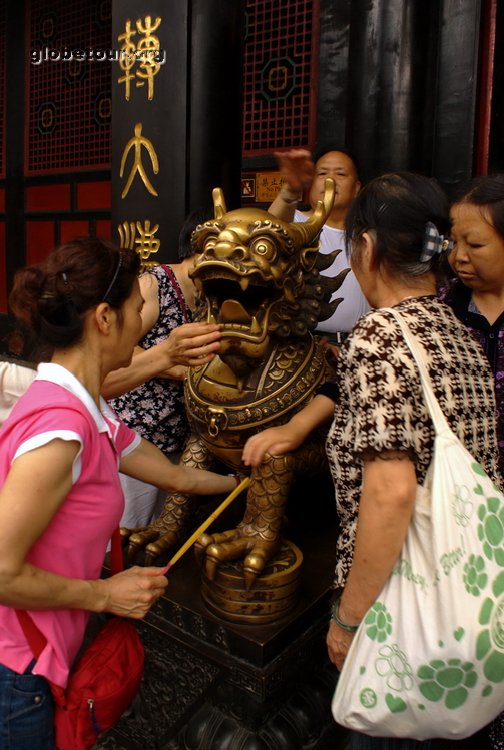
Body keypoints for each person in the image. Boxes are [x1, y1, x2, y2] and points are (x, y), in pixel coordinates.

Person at [243, 172, 501, 749]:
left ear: (364, 246)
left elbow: (391, 494)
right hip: (467, 605)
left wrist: (349, 619)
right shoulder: (460, 331)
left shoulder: (379, 335)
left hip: (404, 613)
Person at [0, 238, 238, 750]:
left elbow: (176, 477)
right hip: (14, 674)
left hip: (35, 664)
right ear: (104, 318)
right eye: (138, 310)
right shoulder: (62, 430)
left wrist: (247, 480)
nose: (144, 323)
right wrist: (105, 594)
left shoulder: (91, 411)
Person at [443, 174, 504, 750]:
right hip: (456, 514)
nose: (459, 256)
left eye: (476, 244)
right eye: (453, 241)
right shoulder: (445, 310)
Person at [104, 207, 212, 529]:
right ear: (202, 246)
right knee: (127, 529)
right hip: (138, 433)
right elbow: (120, 349)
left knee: (162, 528)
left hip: (179, 435)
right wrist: (176, 368)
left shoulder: (211, 298)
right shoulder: (157, 285)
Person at [268, 146, 370, 342]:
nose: (330, 180)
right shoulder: (296, 222)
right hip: (304, 343)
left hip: (358, 345)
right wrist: (290, 190)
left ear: (357, 188)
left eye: (340, 173)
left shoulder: (368, 235)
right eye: (322, 173)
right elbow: (268, 232)